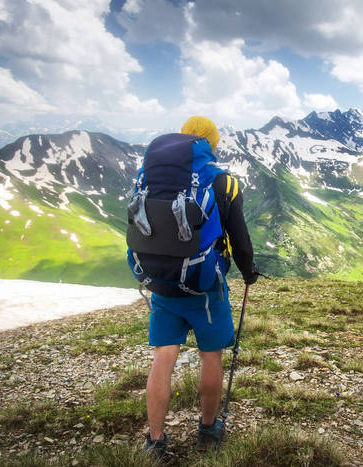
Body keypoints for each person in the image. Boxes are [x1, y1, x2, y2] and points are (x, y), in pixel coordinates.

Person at [143, 116, 258, 458]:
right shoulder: (223, 182)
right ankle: (208, 430)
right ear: (211, 143)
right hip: (205, 286)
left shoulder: (153, 175)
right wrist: (248, 271)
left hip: (162, 283)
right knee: (212, 356)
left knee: (163, 358)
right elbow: (239, 238)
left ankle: (155, 440)